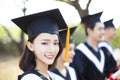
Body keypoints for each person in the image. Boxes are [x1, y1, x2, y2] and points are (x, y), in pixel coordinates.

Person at [11, 8, 68, 80]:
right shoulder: (30, 78)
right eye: (44, 43)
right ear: (30, 46)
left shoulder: (51, 75)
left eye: (55, 43)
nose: (52, 49)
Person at [70, 12, 107, 80]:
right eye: (100, 29)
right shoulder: (79, 53)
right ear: (89, 30)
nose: (103, 32)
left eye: (103, 29)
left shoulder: (101, 52)